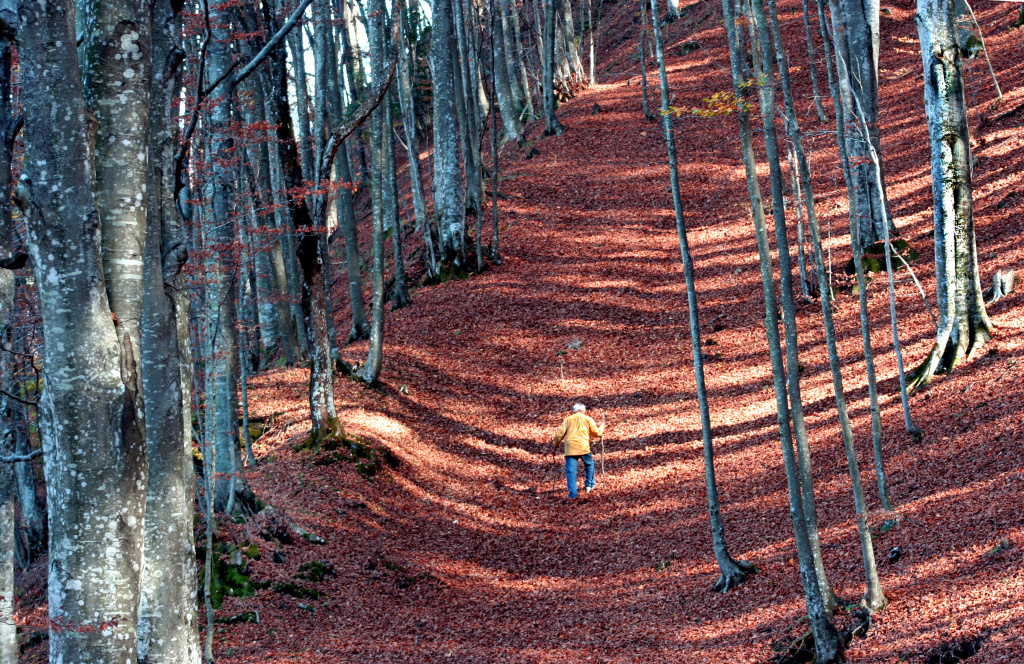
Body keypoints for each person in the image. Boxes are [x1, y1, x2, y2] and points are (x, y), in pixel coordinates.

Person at [551, 403, 603, 499]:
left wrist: (555, 444)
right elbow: (597, 433)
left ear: (574, 411)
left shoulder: (568, 419)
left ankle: (573, 493)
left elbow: (559, 434)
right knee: (589, 465)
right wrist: (602, 427)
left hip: (570, 449)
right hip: (584, 448)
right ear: (584, 410)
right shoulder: (588, 419)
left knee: (571, 471)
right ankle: (589, 485)